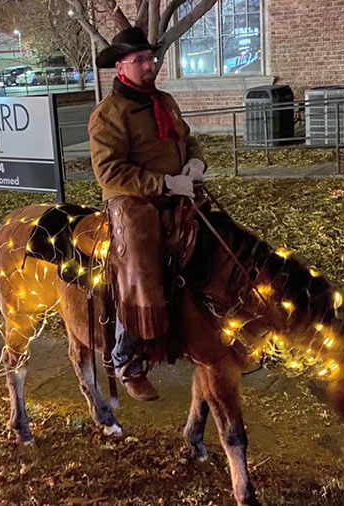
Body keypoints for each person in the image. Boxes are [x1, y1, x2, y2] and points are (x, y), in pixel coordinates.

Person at [88, 26, 207, 401]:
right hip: (131, 199)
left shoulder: (165, 101)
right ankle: (127, 355)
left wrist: (195, 164)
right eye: (139, 60)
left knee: (214, 233)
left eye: (150, 58)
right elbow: (110, 171)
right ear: (121, 67)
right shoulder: (109, 114)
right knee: (138, 254)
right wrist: (166, 183)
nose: (148, 65)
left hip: (176, 186)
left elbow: (188, 139)